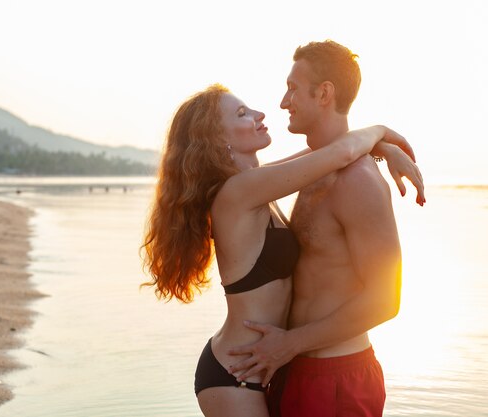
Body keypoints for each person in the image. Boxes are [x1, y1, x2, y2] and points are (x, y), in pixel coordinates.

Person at [141, 83, 423, 417]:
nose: (260, 115)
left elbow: (330, 153)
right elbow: (340, 153)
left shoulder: (256, 183)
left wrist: (382, 148)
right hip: (235, 374)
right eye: (243, 114)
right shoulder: (238, 192)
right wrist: (382, 132)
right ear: (216, 138)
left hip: (264, 365)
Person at [227, 40, 423, 417]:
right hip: (291, 367)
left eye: (293, 89)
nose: (284, 102)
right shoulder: (312, 169)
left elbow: (386, 299)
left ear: (325, 94)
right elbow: (251, 183)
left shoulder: (359, 183)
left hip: (337, 380)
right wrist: (382, 140)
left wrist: (290, 344)